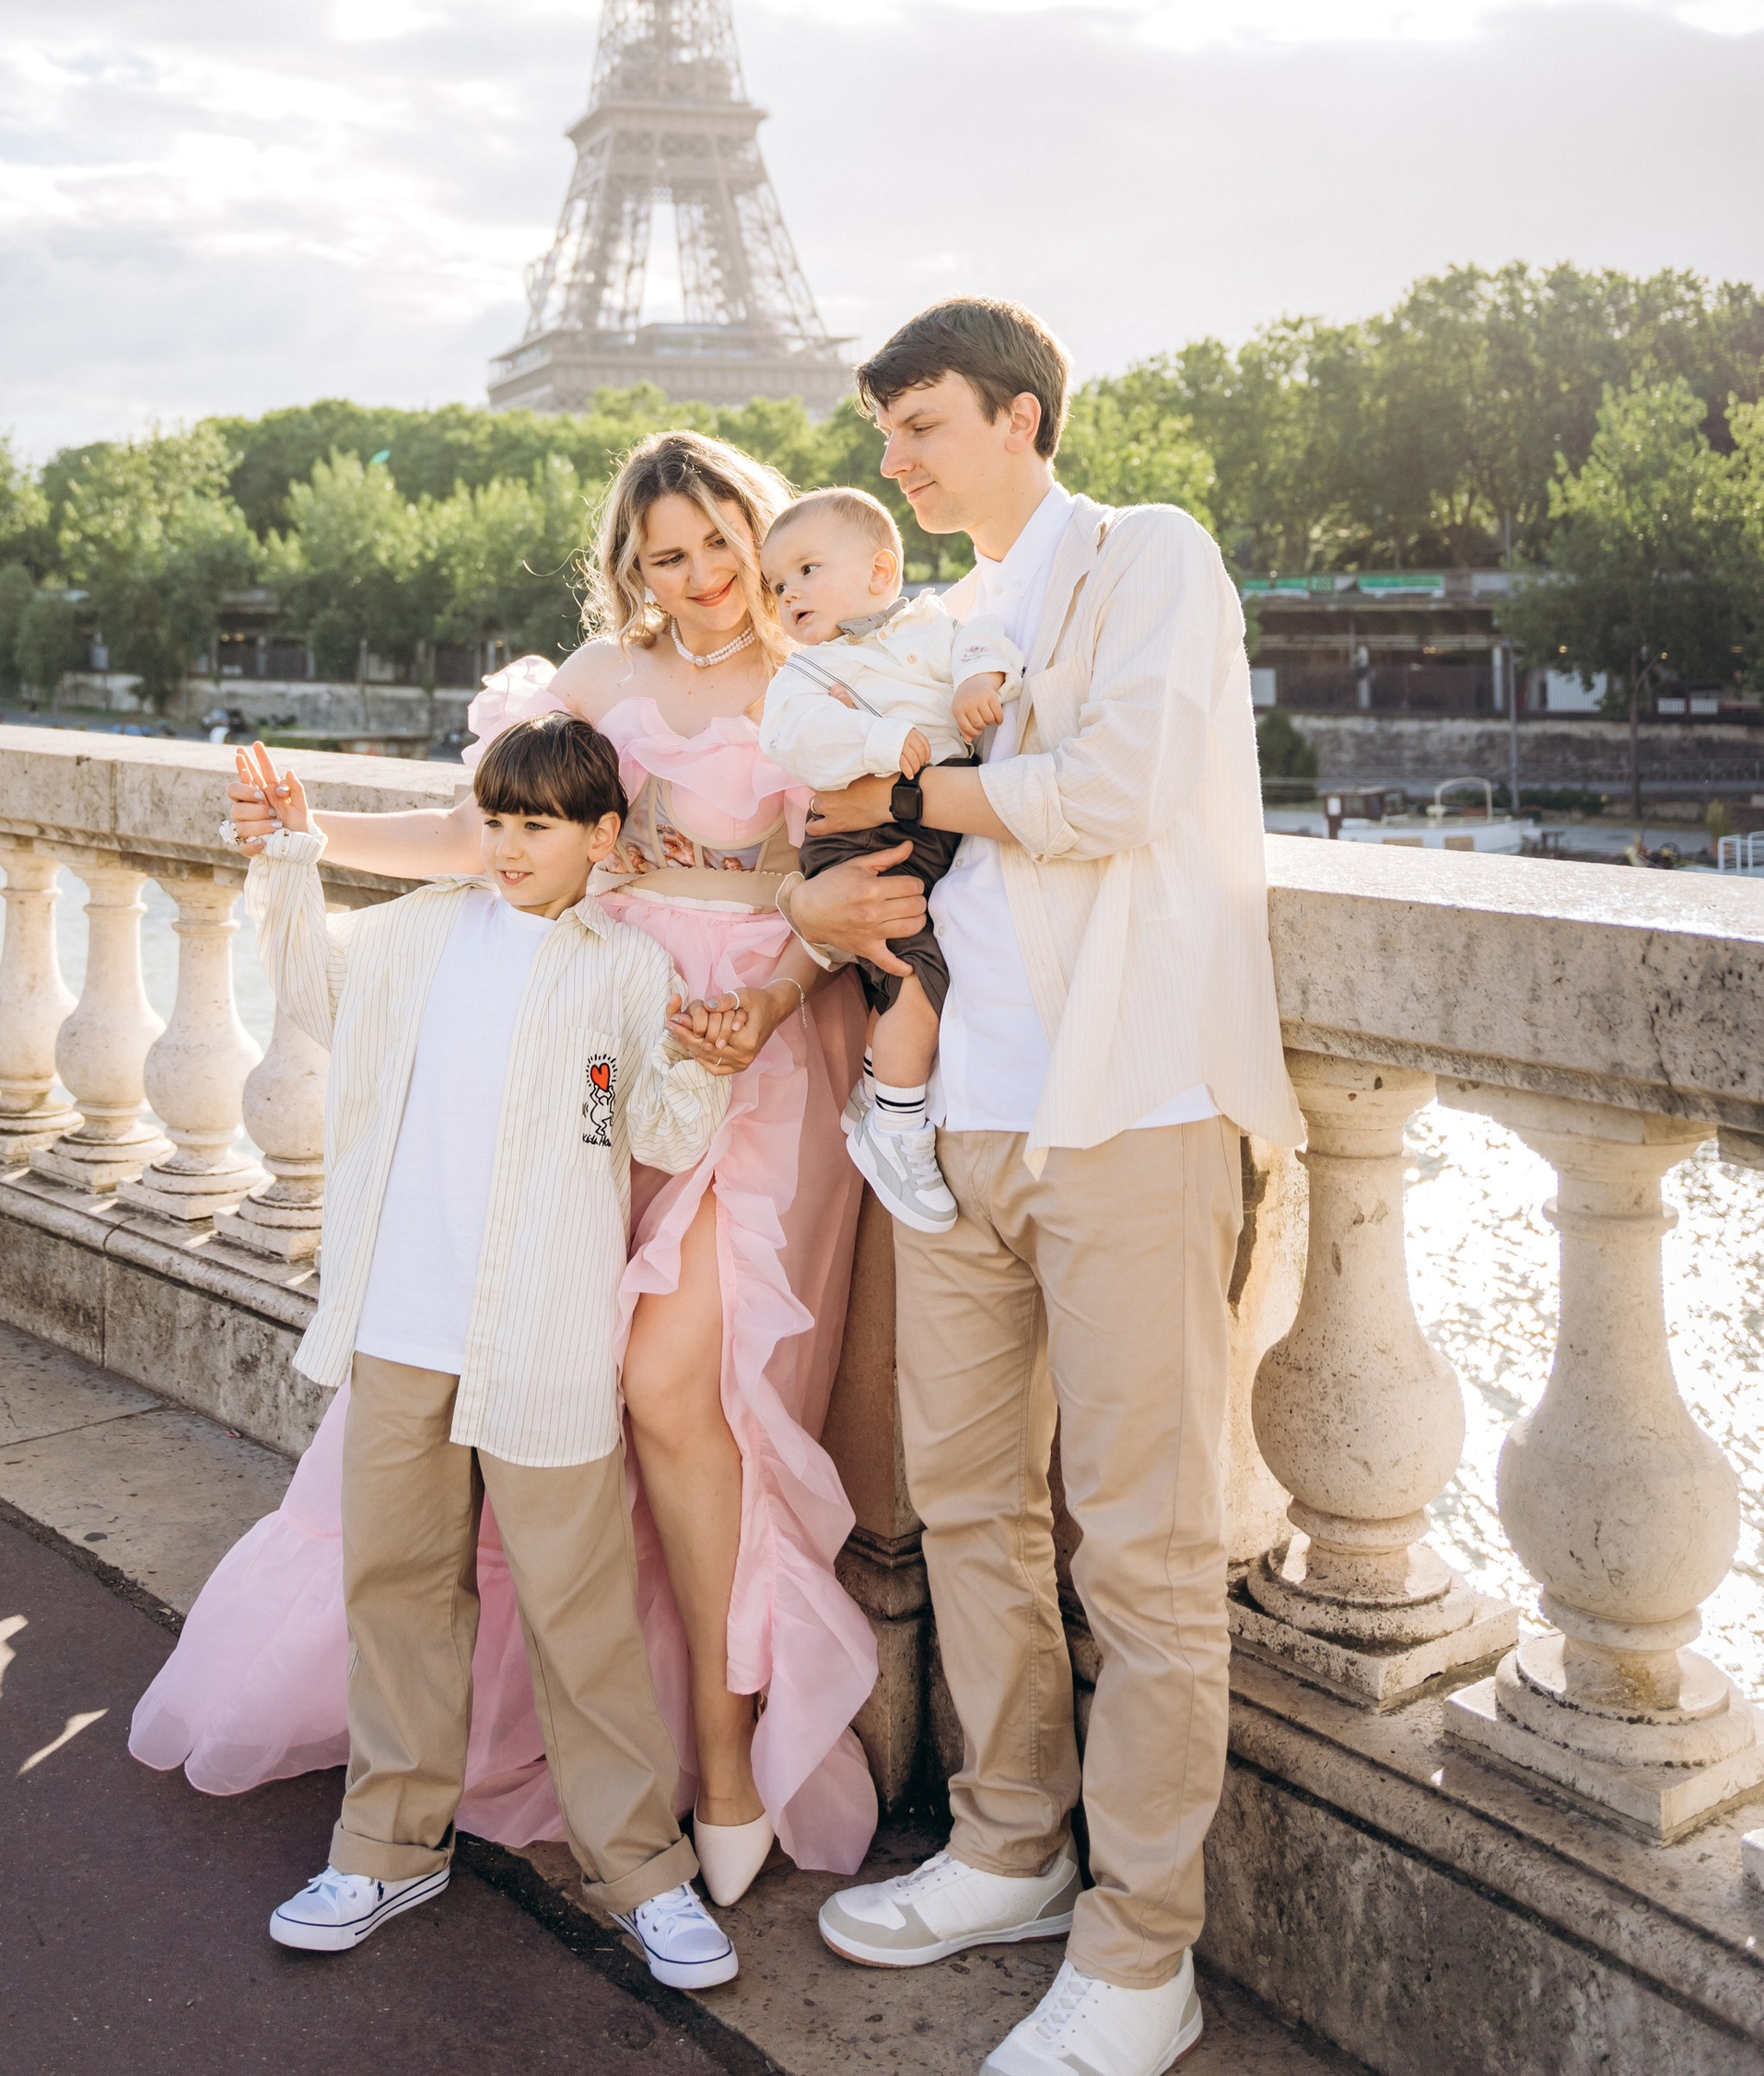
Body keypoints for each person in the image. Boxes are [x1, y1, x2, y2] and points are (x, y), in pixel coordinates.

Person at [159, 427, 879, 1907]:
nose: (697, 577)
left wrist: (775, 997)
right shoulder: (605, 686)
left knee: (676, 1388)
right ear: (633, 565)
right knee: (547, 1359)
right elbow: (494, 826)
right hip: (595, 1022)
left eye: (718, 542)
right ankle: (536, 1749)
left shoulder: (827, 682)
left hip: (755, 1052)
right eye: (663, 554)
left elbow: (850, 888)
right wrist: (313, 827)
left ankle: (725, 1764)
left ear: (760, 530)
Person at [793, 297, 1305, 2076]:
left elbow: (1123, 788)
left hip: (1130, 1110)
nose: (895, 461)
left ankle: (1142, 1949)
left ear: (1020, 414)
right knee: (969, 1508)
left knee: (1148, 1556)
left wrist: (928, 783)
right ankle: (1009, 1841)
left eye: (922, 424)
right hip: (965, 1127)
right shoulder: (937, 619)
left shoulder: (1149, 557)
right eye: (884, 433)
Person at [146, 709, 742, 1990]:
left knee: (580, 1612)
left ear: (602, 838)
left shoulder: (626, 974)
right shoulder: (412, 934)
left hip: (543, 1337)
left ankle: (644, 1871)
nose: (511, 846)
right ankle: (387, 1846)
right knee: (401, 1595)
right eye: (495, 820)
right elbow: (303, 986)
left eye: (538, 825)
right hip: (401, 1322)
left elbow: (663, 1136)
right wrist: (291, 853)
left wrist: (703, 1067)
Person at [756, 484, 1022, 1235]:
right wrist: (876, 746)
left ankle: (883, 1089)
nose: (788, 593)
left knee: (942, 960)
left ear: (879, 572)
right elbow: (791, 740)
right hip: (858, 841)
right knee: (915, 973)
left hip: (935, 830)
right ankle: (895, 1124)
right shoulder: (805, 675)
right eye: (778, 584)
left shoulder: (935, 628)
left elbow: (986, 639)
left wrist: (979, 680)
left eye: (807, 570)